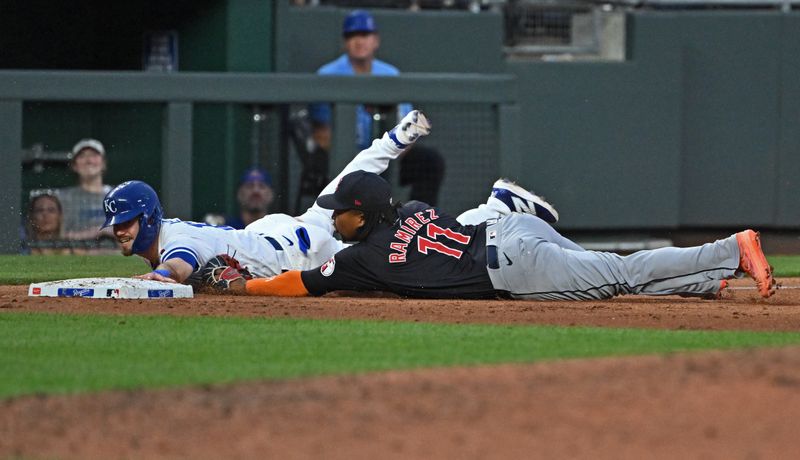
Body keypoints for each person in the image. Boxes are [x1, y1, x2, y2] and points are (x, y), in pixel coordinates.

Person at [236, 115, 775, 301]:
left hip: (513, 268)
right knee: (609, 269)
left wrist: (244, 286)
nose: (333, 218)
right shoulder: (414, 207)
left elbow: (298, 284)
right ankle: (704, 282)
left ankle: (729, 249)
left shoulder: (360, 259)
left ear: (363, 213)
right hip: (507, 232)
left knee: (620, 272)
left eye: (340, 212)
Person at [101, 111, 440, 284]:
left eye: (125, 222)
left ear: (146, 219)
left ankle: (474, 227)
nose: (118, 231)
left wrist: (161, 277)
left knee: (385, 259)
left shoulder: (176, 239)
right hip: (271, 233)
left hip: (298, 255)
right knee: (340, 188)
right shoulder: (166, 230)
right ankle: (391, 141)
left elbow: (178, 264)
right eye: (116, 224)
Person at [309, 9, 446, 205]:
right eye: (352, 35)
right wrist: (360, 162)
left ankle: (417, 221)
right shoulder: (327, 74)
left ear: (375, 40)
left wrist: (387, 155)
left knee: (430, 161)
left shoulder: (390, 74)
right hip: (343, 159)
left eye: (364, 35)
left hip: (388, 156)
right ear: (344, 42)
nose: (359, 41)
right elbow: (321, 133)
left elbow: (408, 124)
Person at [58, 138, 114, 241]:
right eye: (82, 156)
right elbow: (57, 237)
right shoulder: (63, 198)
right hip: (77, 254)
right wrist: (97, 232)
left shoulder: (120, 196)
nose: (89, 161)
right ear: (74, 166)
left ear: (103, 163)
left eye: (94, 155)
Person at [25, 191, 68, 255]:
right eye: (39, 210)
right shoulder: (22, 249)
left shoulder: (71, 250)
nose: (45, 214)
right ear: (32, 217)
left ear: (60, 216)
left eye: (51, 210)